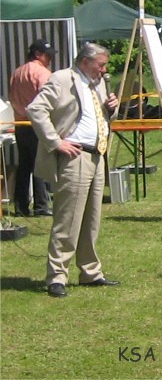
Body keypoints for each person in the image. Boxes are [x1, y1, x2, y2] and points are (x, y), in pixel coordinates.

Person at [27, 43, 120, 298]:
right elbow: (35, 110)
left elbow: (100, 117)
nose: (104, 70)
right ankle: (57, 276)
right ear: (85, 61)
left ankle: (90, 272)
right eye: (100, 65)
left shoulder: (98, 83)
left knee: (92, 219)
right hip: (75, 156)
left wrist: (111, 108)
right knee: (68, 219)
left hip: (98, 154)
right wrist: (56, 142)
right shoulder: (61, 79)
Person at [9, 40, 56, 217]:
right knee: (41, 165)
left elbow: (12, 97)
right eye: (48, 55)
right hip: (37, 124)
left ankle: (20, 207)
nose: (50, 58)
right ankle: (42, 206)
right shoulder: (42, 73)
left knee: (24, 166)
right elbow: (47, 99)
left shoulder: (17, 72)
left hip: (20, 124)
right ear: (38, 54)